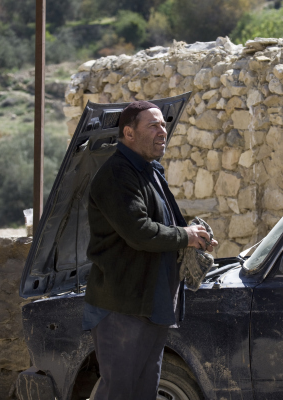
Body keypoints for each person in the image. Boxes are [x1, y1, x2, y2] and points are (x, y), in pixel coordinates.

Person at [83, 101, 217, 400]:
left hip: (151, 304)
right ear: (128, 133)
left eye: (163, 125)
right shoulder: (118, 174)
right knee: (120, 391)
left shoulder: (149, 171)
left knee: (143, 391)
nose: (162, 131)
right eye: (153, 125)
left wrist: (196, 237)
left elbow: (164, 224)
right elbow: (139, 232)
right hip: (123, 307)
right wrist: (187, 236)